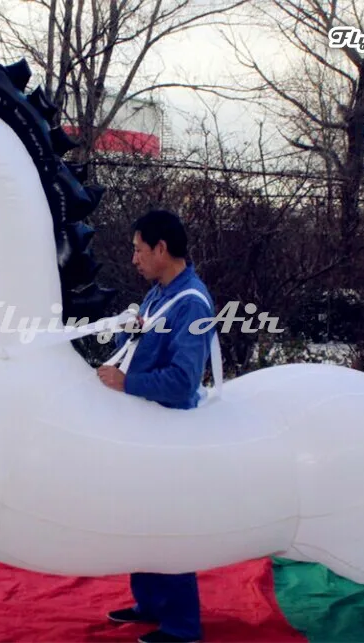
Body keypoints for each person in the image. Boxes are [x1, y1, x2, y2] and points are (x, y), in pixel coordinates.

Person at [97, 208, 215, 643]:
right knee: (139, 519)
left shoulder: (192, 303)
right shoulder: (158, 294)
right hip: (145, 427)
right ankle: (150, 603)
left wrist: (128, 384)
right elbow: (143, 349)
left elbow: (185, 381)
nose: (134, 259)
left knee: (167, 524)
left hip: (170, 431)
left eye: (138, 249)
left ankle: (183, 625)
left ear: (161, 249)